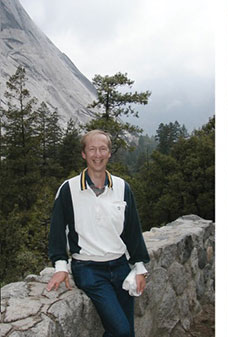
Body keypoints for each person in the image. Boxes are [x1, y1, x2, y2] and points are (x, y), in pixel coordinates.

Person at [46, 129, 150, 337]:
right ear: (84, 154)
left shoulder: (122, 187)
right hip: (88, 269)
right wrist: (60, 266)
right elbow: (57, 230)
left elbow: (132, 231)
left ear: (109, 153)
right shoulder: (69, 189)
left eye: (103, 149)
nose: (97, 154)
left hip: (120, 266)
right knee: (121, 330)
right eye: (92, 149)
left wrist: (139, 267)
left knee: (126, 331)